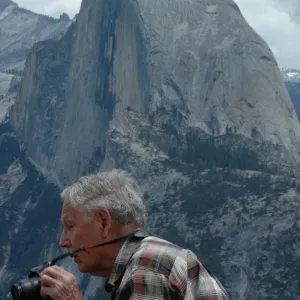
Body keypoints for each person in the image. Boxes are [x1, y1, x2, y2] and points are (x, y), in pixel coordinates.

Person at [40, 169, 229, 300]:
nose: (63, 241)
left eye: (70, 226)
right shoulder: (146, 261)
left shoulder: (146, 268)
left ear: (104, 222)